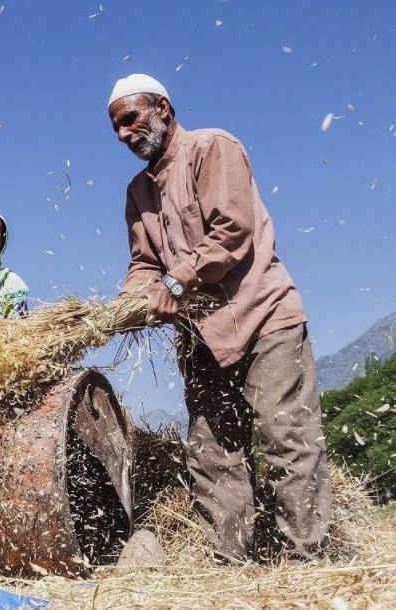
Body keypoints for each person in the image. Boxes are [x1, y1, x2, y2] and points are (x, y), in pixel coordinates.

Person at [107, 74, 332, 562]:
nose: (125, 135)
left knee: (286, 439)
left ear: (162, 108)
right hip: (200, 334)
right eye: (117, 129)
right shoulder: (137, 193)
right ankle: (230, 562)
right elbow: (144, 263)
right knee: (211, 451)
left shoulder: (212, 148)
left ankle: (304, 563)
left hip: (261, 315)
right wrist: (125, 305)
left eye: (131, 119)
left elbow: (232, 230)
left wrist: (174, 283)